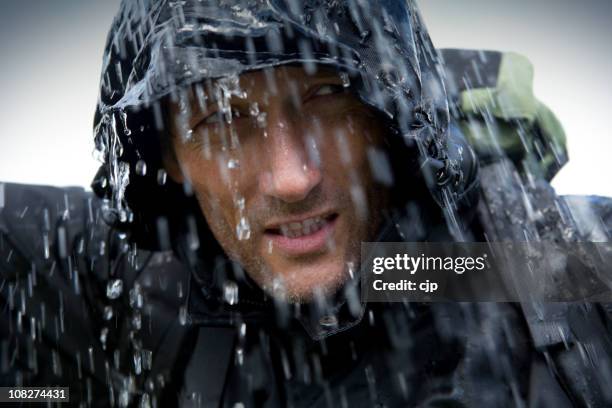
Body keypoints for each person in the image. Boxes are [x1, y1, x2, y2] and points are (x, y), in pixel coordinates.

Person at [2, 0, 611, 406]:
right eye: (224, 119)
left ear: (389, 116)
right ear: (164, 158)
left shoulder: (519, 265)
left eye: (327, 96)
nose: (292, 178)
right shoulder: (129, 282)